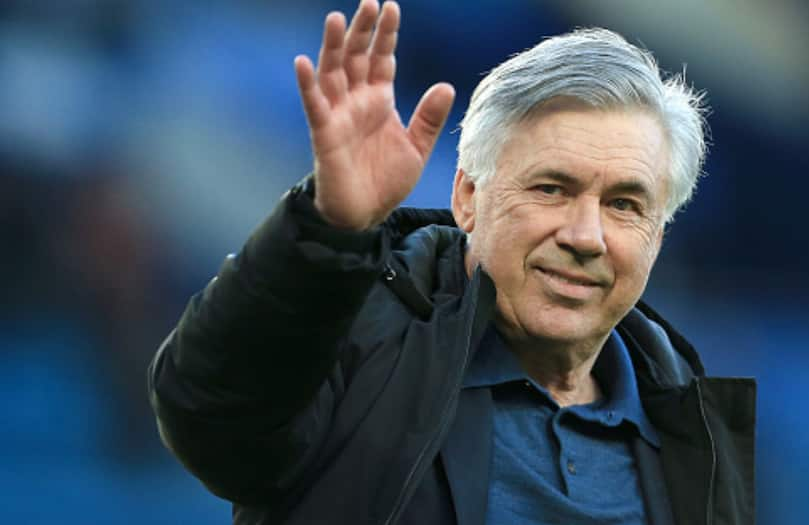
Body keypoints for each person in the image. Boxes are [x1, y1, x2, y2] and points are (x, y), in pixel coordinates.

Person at [148, 1, 756, 524]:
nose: (586, 235)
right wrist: (328, 229)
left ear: (659, 232)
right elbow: (210, 413)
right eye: (550, 189)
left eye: (624, 204)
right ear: (467, 197)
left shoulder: (691, 419)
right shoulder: (356, 340)